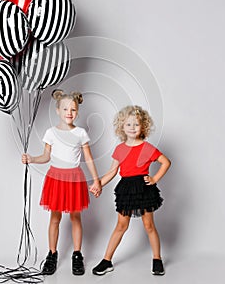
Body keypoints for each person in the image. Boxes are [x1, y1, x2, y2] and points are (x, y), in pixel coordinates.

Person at [22, 89, 101, 276]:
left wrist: (97, 180)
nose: (69, 113)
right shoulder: (51, 132)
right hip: (56, 178)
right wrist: (32, 158)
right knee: (55, 218)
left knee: (75, 217)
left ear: (77, 112)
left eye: (73, 110)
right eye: (65, 109)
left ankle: (77, 255)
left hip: (74, 178)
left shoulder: (81, 133)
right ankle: (52, 254)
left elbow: (88, 158)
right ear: (58, 110)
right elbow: (46, 156)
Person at [92, 105, 171, 276]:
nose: (133, 128)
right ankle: (106, 260)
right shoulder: (120, 149)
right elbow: (113, 171)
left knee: (149, 225)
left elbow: (166, 162)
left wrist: (154, 179)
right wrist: (99, 184)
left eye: (136, 124)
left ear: (143, 126)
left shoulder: (147, 148)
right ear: (122, 127)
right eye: (129, 124)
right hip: (126, 189)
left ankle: (157, 259)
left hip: (143, 189)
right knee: (121, 225)